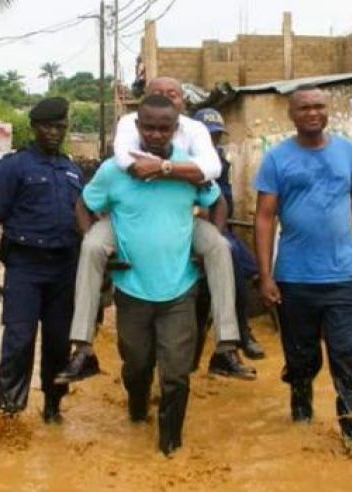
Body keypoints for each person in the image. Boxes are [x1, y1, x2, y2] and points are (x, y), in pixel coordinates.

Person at [55, 76, 255, 384]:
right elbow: (122, 161)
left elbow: (213, 182)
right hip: (127, 216)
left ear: (181, 107)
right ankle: (82, 348)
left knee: (222, 247)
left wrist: (170, 170)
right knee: (92, 247)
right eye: (158, 94)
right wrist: (143, 168)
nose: (156, 132)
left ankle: (227, 346)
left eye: (172, 94)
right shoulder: (127, 125)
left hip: (184, 216)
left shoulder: (196, 132)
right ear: (140, 116)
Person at [77, 94, 227, 456]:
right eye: (149, 127)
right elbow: (84, 204)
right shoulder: (115, 169)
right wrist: (98, 245)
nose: (157, 134)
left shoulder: (189, 169)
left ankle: (170, 445)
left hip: (179, 290)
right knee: (137, 364)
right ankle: (137, 408)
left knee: (176, 373)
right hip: (132, 291)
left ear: (176, 130)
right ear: (137, 127)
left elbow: (217, 202)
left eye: (165, 128)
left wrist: (207, 246)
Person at [253, 85, 352, 467]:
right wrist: (265, 276)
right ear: (292, 115)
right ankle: (301, 410)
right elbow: (264, 217)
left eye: (318, 106)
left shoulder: (347, 152)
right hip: (294, 277)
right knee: (302, 357)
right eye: (304, 108)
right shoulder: (277, 159)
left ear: (328, 111)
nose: (312, 113)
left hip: (343, 276)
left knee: (345, 355)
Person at [0, 97, 83, 423]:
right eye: (48, 126)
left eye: (60, 127)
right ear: (35, 128)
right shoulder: (15, 166)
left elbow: (86, 220)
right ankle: (10, 414)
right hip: (25, 267)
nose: (55, 133)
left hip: (64, 269)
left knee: (58, 345)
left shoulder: (73, 170)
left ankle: (53, 407)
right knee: (18, 340)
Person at [192, 107, 265, 360]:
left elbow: (224, 202)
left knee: (248, 266)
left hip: (220, 225)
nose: (213, 142)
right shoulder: (188, 160)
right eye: (208, 137)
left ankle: (241, 329)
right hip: (190, 228)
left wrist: (216, 226)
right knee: (231, 256)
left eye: (216, 137)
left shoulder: (220, 162)